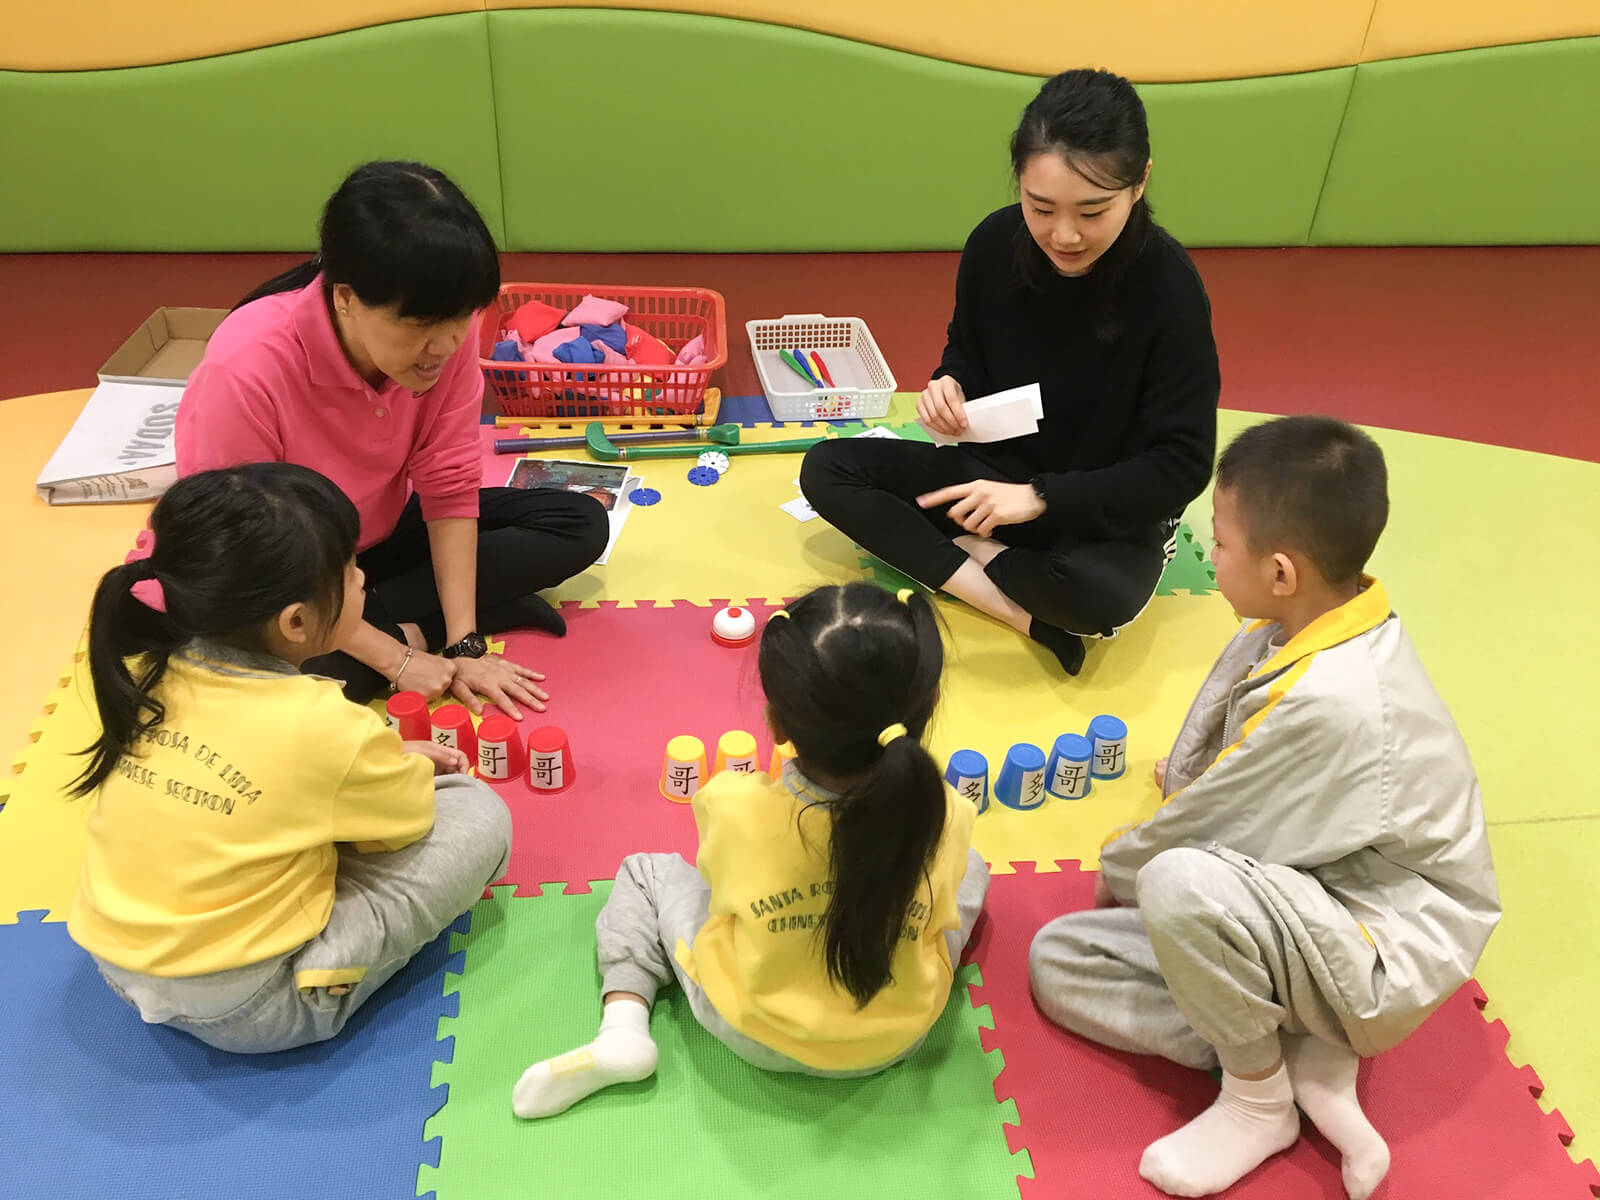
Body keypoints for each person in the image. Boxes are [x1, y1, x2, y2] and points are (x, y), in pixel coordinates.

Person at [1027, 416, 1499, 1198]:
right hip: (1311, 888)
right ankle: (1303, 1049)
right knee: (1059, 961)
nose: (1207, 557)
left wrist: (1122, 867)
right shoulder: (1294, 625)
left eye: (1219, 541)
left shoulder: (1339, 700)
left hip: (1382, 936)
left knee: (1175, 880)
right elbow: (1217, 750)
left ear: (1281, 570)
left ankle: (1258, 1098)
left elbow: (1210, 826)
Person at [66, 464, 513, 1054]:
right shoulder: (324, 719)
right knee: (480, 816)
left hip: (117, 964)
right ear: (297, 622)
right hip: (252, 1006)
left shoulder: (153, 669)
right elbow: (401, 829)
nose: (362, 579)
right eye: (351, 571)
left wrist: (370, 761)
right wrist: (389, 765)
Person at [510, 583, 990, 1118]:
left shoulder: (731, 804)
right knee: (970, 867)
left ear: (778, 724)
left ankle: (622, 1029)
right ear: (930, 705)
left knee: (646, 873)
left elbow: (721, 892)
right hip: (895, 1039)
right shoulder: (950, 815)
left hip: (752, 1030)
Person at [800, 69, 1219, 676]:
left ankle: (963, 554)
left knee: (1100, 596)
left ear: (1140, 182)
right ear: (1019, 180)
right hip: (995, 477)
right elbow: (966, 346)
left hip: (1094, 503)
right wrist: (950, 382)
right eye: (1040, 207)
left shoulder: (1170, 289)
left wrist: (1041, 499)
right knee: (828, 470)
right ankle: (1020, 611)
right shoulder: (995, 244)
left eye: (1093, 210)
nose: (1064, 234)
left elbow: (1180, 464)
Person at [176, 160, 608, 716]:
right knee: (295, 674)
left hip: (378, 541)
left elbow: (449, 488)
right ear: (346, 298)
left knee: (580, 522)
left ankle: (407, 625)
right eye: (420, 325)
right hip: (288, 572)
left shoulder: (443, 341)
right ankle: (409, 629)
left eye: (461, 318)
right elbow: (244, 559)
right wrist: (398, 660)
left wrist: (465, 642)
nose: (447, 344)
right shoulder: (245, 370)